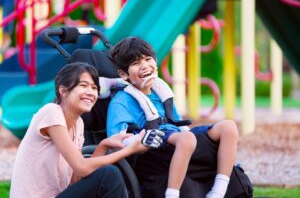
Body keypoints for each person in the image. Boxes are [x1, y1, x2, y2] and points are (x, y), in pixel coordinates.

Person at [107, 37, 239, 198]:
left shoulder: (160, 91)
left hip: (176, 135)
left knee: (229, 127)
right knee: (187, 139)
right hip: (153, 142)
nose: (144, 66)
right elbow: (115, 139)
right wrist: (137, 140)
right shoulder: (121, 101)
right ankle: (172, 194)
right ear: (123, 74)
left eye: (148, 59)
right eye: (135, 63)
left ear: (155, 62)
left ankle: (218, 191)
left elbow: (177, 122)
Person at [10, 62, 164, 198]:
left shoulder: (78, 124)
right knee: (109, 174)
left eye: (94, 87)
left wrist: (104, 145)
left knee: (106, 177)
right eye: (83, 85)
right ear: (63, 91)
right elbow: (82, 167)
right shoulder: (51, 112)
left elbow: (77, 177)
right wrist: (129, 150)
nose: (91, 92)